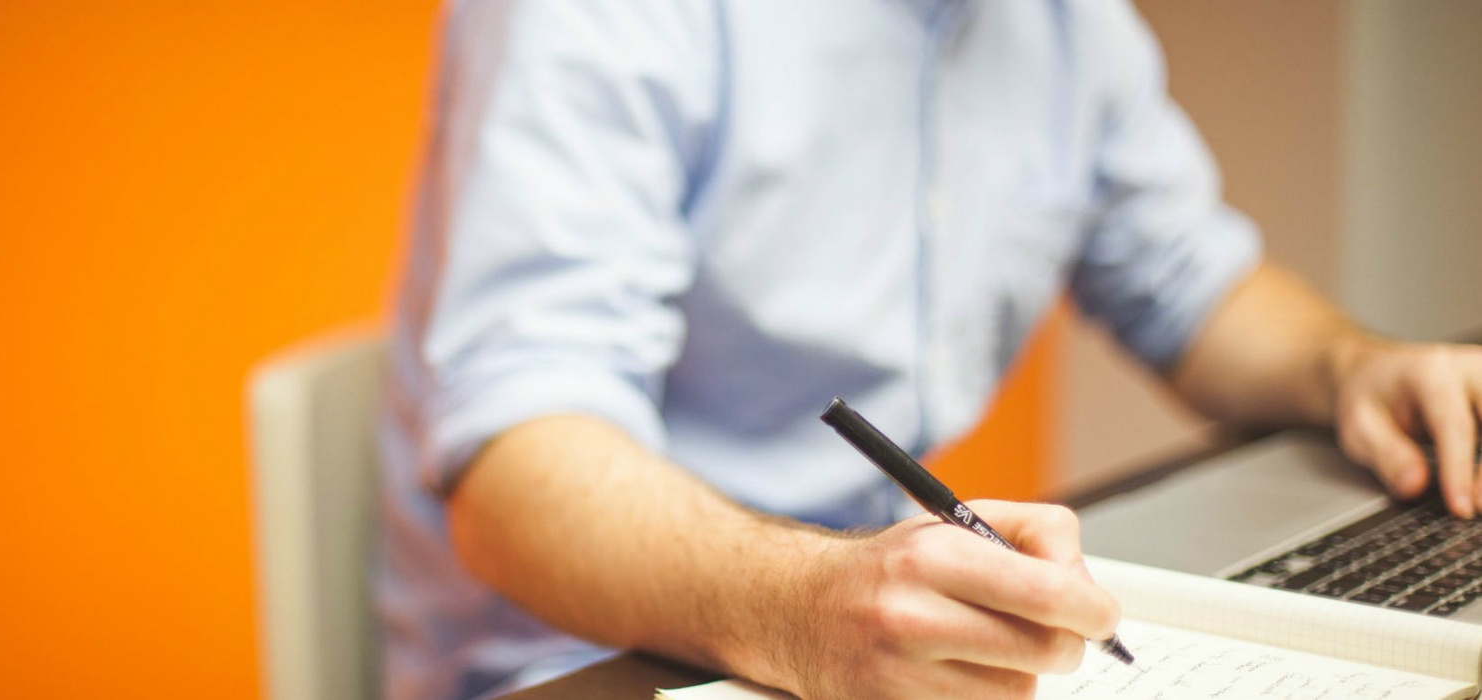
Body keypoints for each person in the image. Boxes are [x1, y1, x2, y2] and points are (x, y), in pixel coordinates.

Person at [375, 2, 1482, 699]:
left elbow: (1188, 283)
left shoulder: (1065, 27)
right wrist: (800, 609)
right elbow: (514, 466)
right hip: (596, 661)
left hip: (875, 631)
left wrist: (1351, 368)